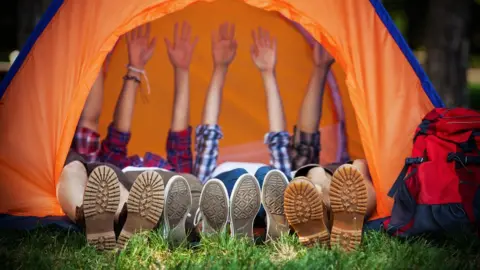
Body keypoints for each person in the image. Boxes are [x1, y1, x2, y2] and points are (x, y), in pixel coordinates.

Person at [57, 22, 203, 250]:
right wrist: (123, 65)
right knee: (75, 167)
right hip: (117, 186)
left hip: (168, 190)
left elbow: (180, 134)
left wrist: (181, 69)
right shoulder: (112, 165)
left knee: (189, 186)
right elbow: (92, 123)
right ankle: (98, 218)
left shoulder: (172, 168)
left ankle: (118, 221)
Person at [192, 26, 291, 242]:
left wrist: (268, 73)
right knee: (235, 179)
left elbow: (279, 143)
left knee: (272, 178)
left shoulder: (270, 174)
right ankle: (231, 223)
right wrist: (220, 67)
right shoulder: (213, 176)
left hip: (267, 193)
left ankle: (263, 224)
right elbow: (206, 138)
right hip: (225, 192)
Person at [282, 43, 376, 252]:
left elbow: (306, 138)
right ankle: (343, 219)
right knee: (320, 175)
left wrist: (320, 68)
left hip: (310, 181)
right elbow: (306, 137)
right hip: (302, 181)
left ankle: (327, 217)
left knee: (347, 170)